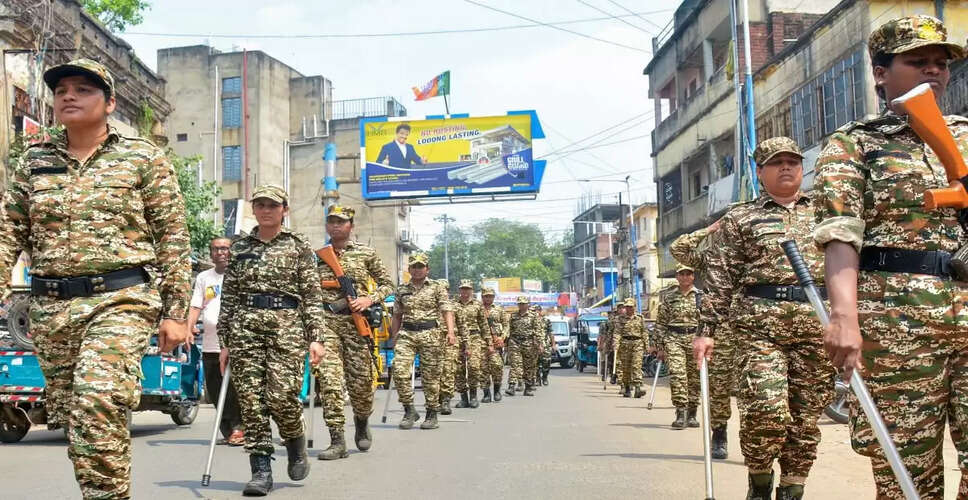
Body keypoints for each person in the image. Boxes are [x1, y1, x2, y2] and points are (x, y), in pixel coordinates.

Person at [0, 58, 191, 499]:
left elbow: (173, 239)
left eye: (83, 89)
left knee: (97, 401)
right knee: (80, 425)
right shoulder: (35, 161)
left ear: (110, 103)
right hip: (51, 310)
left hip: (121, 299)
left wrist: (176, 312)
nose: (68, 95)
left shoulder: (143, 157)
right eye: (62, 88)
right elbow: (8, 233)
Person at [813, 15, 968, 498]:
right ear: (880, 72)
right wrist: (844, 316)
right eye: (917, 61)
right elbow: (841, 236)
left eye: (940, 64)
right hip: (897, 329)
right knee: (906, 476)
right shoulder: (854, 145)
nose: (934, 72)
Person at [694, 137, 833, 500]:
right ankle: (758, 482)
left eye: (792, 161)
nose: (786, 167)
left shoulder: (827, 212)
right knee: (765, 409)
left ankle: (792, 489)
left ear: (803, 168)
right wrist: (706, 330)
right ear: (760, 172)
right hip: (759, 327)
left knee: (805, 420)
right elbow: (721, 275)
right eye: (776, 162)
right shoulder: (742, 217)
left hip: (816, 326)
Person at [218, 184, 327, 496]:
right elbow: (230, 297)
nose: (266, 210)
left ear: (284, 210)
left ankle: (294, 441)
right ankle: (260, 470)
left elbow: (311, 295)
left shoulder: (298, 246)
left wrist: (316, 337)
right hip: (245, 328)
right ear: (254, 209)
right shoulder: (238, 248)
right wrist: (225, 341)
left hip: (287, 328)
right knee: (251, 401)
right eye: (260, 204)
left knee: (281, 397)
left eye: (272, 205)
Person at [314, 205, 394, 460]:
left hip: (357, 325)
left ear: (351, 226)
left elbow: (387, 284)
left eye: (342, 221)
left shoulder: (365, 253)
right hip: (327, 324)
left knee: (361, 386)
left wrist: (369, 300)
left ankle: (361, 420)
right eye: (332, 221)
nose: (336, 225)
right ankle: (337, 440)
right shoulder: (314, 256)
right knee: (330, 381)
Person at [671, 221, 737, 459]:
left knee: (753, 389)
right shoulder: (712, 257)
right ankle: (719, 433)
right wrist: (708, 230)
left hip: (756, 326)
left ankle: (757, 442)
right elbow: (678, 249)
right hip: (719, 329)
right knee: (719, 387)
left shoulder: (759, 251)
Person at [386, 253, 456, 430]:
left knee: (430, 377)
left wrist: (450, 332)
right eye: (414, 267)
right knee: (399, 370)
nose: (417, 270)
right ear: (409, 270)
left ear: (427, 269)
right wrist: (394, 336)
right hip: (407, 333)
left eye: (420, 266)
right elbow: (396, 315)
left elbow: (447, 310)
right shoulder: (402, 289)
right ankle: (409, 410)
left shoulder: (437, 287)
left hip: (430, 333)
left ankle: (431, 413)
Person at [189, 237, 243, 446]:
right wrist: (189, 327)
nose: (220, 252)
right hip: (210, 343)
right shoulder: (204, 277)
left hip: (234, 342)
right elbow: (196, 305)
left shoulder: (239, 275)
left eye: (225, 248)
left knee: (235, 388)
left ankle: (240, 428)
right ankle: (228, 430)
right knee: (214, 388)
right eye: (216, 249)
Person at [656, 265, 701, 429]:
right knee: (677, 374)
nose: (685, 277)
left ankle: (692, 413)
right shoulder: (669, 298)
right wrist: (660, 347)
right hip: (674, 338)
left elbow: (708, 320)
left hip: (695, 339)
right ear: (677, 277)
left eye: (688, 274)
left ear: (693, 276)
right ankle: (680, 412)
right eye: (681, 274)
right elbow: (661, 324)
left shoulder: (701, 296)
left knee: (694, 378)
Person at [453, 279, 493, 408]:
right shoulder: (453, 304)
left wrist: (489, 342)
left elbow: (484, 324)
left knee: (474, 367)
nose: (465, 291)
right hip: (457, 337)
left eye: (467, 289)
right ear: (459, 290)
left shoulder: (477, 305)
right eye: (463, 289)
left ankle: (473, 396)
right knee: (458, 369)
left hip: (474, 337)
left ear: (471, 290)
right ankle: (463, 397)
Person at [505, 296, 541, 396]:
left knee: (528, 366)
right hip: (515, 342)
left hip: (528, 343)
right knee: (515, 364)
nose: (522, 305)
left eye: (524, 304)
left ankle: (528, 387)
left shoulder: (533, 316)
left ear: (528, 304)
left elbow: (538, 330)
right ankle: (511, 386)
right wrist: (507, 343)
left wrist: (538, 343)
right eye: (520, 304)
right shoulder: (513, 316)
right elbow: (509, 330)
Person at [616, 298, 648, 398]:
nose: (629, 309)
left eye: (631, 307)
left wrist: (647, 345)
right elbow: (617, 332)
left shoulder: (640, 318)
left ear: (634, 307)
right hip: (625, 344)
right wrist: (615, 344)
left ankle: (638, 387)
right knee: (626, 367)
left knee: (636, 365)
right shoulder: (620, 319)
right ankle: (626, 387)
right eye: (627, 307)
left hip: (637, 343)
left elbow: (644, 332)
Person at [480, 287, 507, 402]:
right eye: (486, 296)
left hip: (496, 341)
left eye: (490, 296)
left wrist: (502, 337)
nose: (488, 298)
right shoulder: (478, 308)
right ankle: (486, 393)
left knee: (497, 365)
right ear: (482, 297)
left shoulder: (499, 309)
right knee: (482, 368)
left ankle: (496, 390)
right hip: (480, 341)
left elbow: (506, 325)